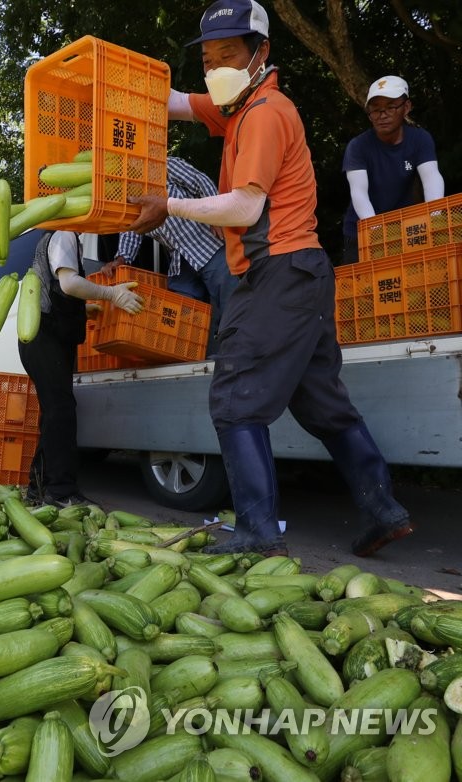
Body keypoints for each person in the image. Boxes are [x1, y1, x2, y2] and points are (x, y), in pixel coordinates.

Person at [126, 0, 413, 557]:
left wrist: (170, 205)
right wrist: (103, 91)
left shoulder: (263, 113)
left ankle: (257, 531)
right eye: (208, 59)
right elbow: (176, 103)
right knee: (323, 407)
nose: (216, 69)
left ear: (261, 54)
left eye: (228, 55)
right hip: (302, 272)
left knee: (234, 402)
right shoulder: (235, 107)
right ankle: (384, 509)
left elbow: (243, 208)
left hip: (278, 270)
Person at [22, 231, 143, 507]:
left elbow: (55, 287)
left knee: (54, 413)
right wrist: (111, 293)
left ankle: (38, 489)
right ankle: (61, 492)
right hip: (45, 336)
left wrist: (82, 309)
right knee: (60, 411)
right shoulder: (63, 233)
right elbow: (68, 283)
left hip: (44, 336)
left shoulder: (59, 238)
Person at [108, 156, 238, 354]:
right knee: (181, 316)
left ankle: (234, 357)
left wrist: (217, 216)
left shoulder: (162, 165)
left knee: (229, 305)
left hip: (208, 245)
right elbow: (132, 230)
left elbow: (200, 181)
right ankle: (192, 358)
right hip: (179, 261)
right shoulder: (126, 193)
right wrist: (121, 258)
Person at [340, 75, 444, 264]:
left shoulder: (420, 139)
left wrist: (435, 217)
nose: (382, 115)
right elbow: (359, 193)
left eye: (390, 107)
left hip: (406, 228)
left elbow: (431, 178)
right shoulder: (358, 146)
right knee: (366, 290)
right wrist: (376, 233)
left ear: (406, 107)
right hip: (362, 232)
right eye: (376, 110)